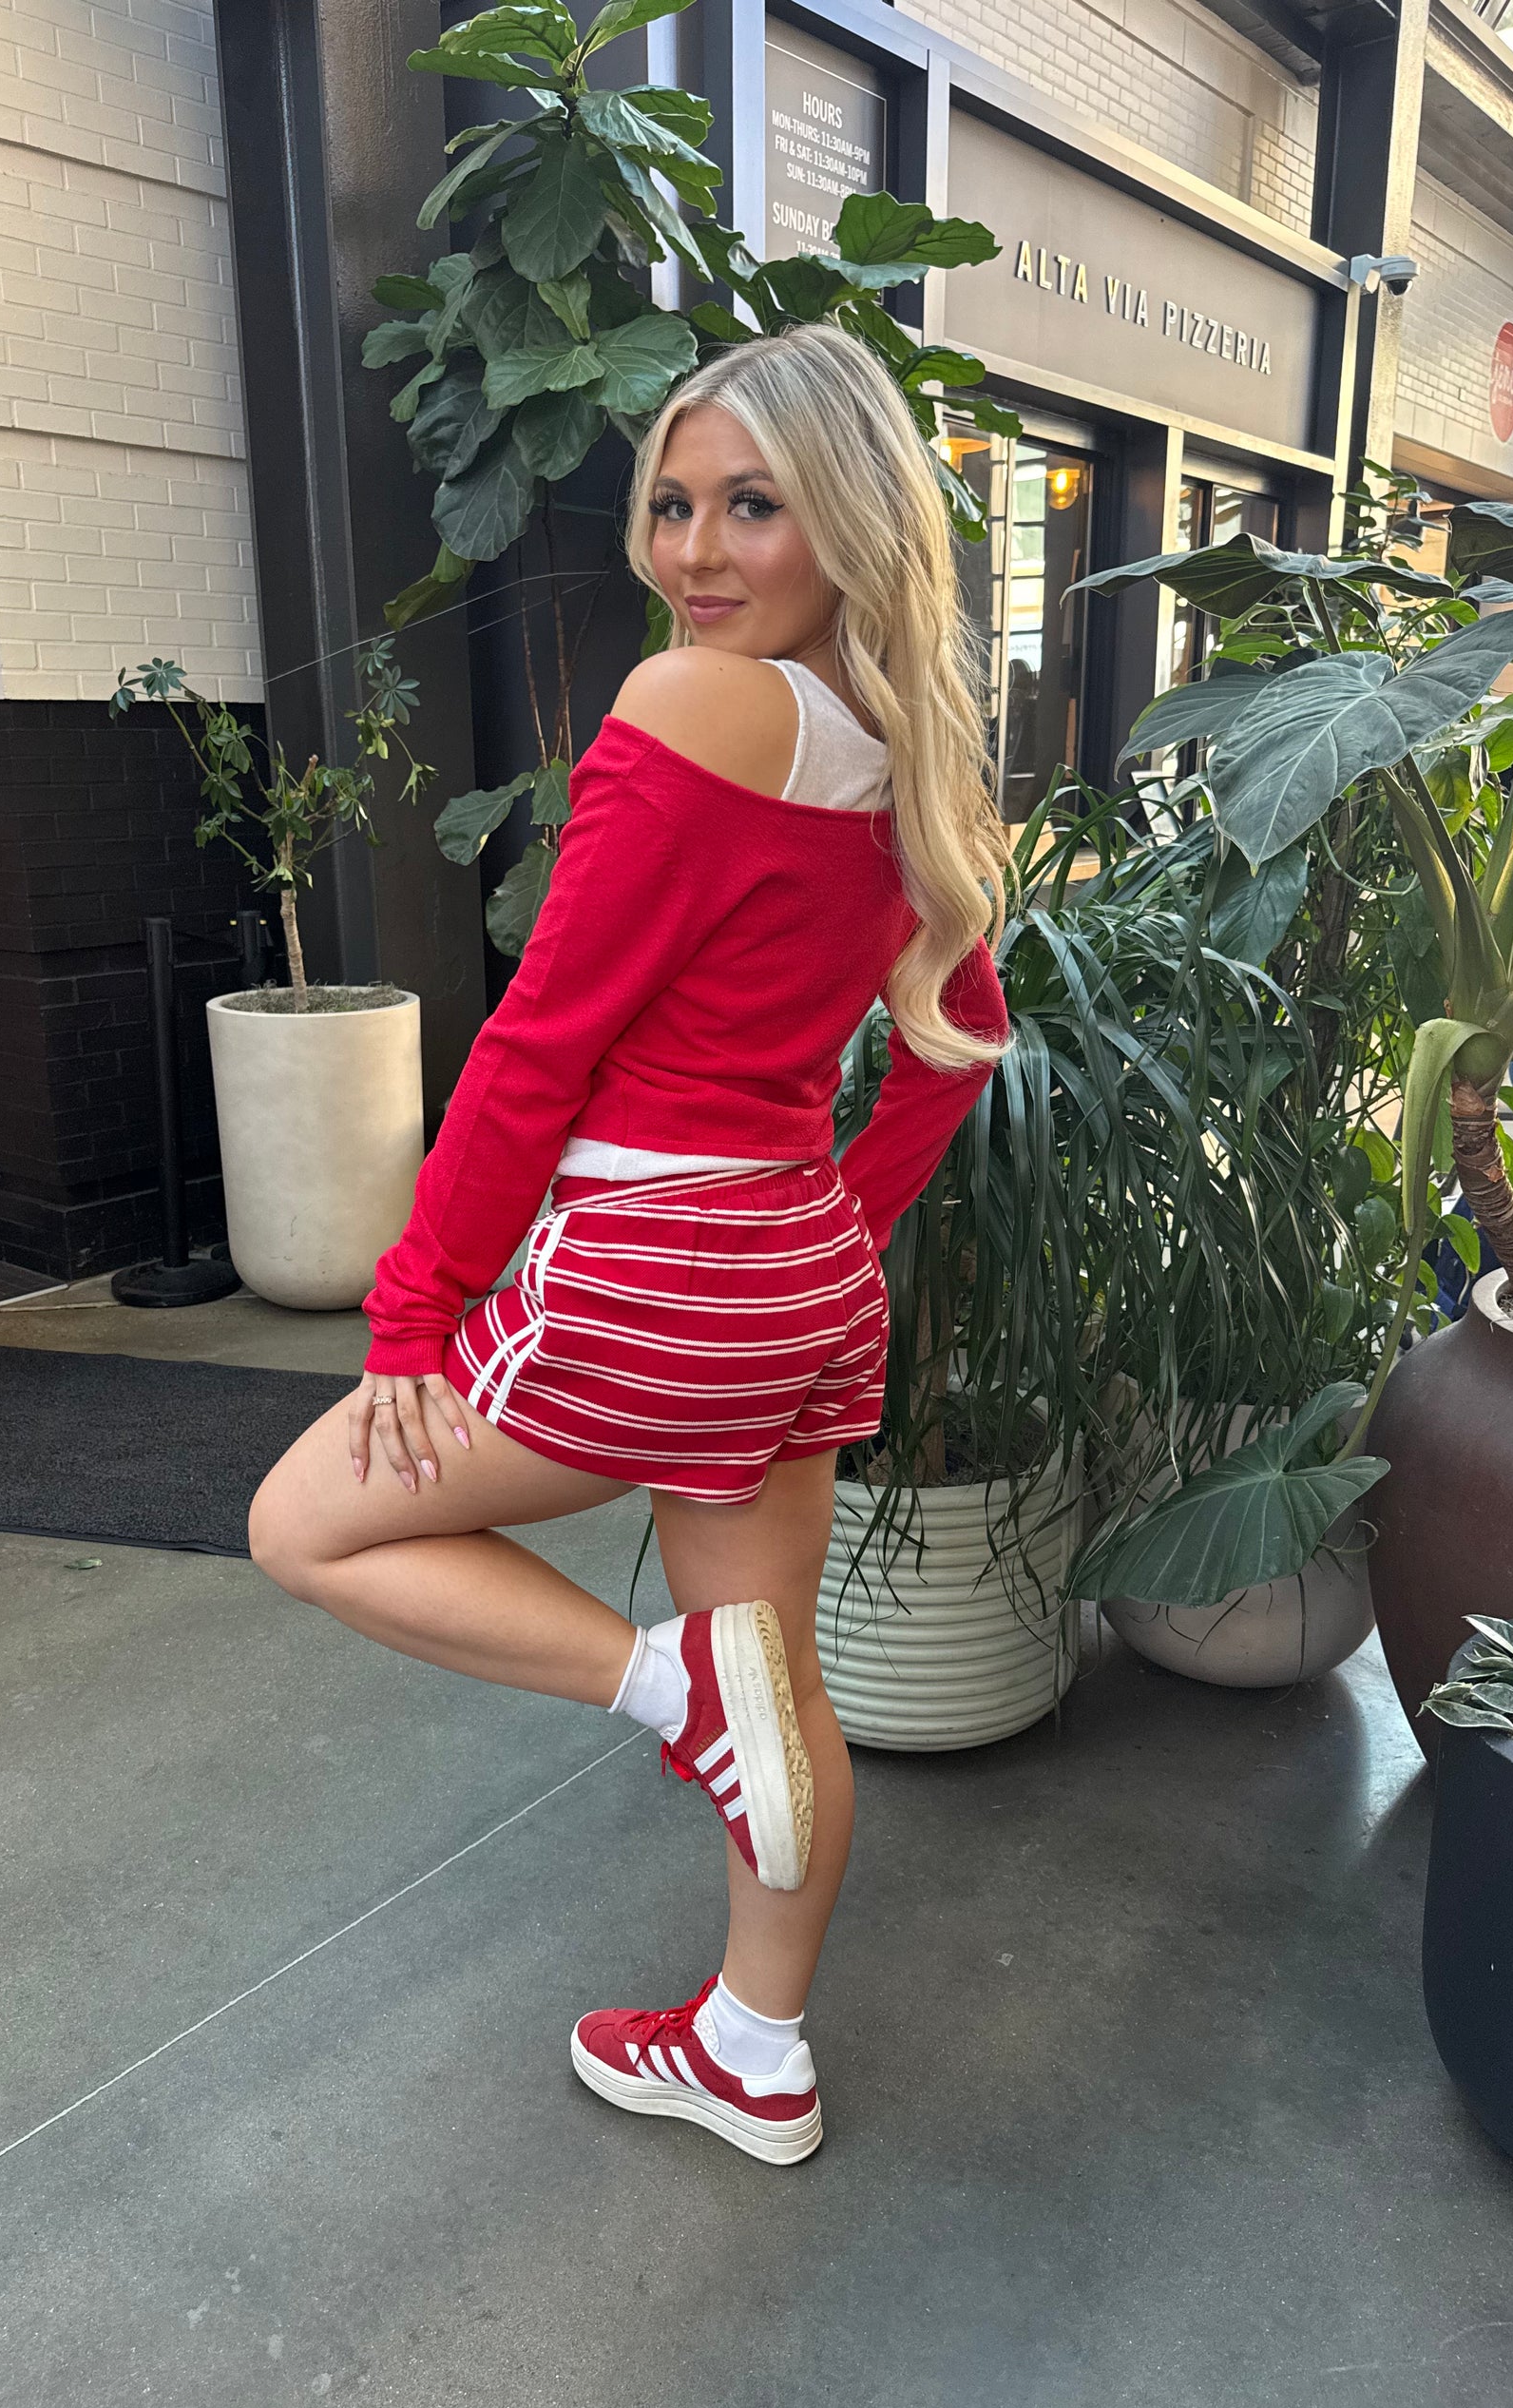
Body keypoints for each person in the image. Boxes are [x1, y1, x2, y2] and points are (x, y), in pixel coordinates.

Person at [249, 321, 1011, 2167]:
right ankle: (755, 2050)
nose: (693, 551)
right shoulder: (900, 748)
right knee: (784, 1686)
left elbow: (539, 1041)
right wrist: (835, 1225)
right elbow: (957, 1037)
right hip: (793, 1277)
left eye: (751, 504)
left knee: (305, 1523)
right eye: (671, 504)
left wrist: (415, 1308)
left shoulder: (693, 703)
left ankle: (664, 1684)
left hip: (647, 1261)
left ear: (847, 516)